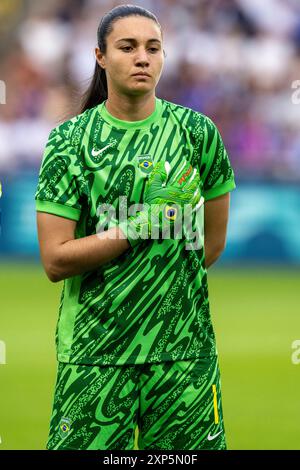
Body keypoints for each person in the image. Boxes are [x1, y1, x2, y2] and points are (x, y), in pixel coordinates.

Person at [35, 4, 236, 451]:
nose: (142, 57)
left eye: (153, 48)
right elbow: (54, 259)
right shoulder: (69, 142)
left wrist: (162, 293)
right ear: (101, 56)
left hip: (184, 357)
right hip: (95, 355)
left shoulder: (198, 133)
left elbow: (211, 245)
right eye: (127, 47)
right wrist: (143, 224)